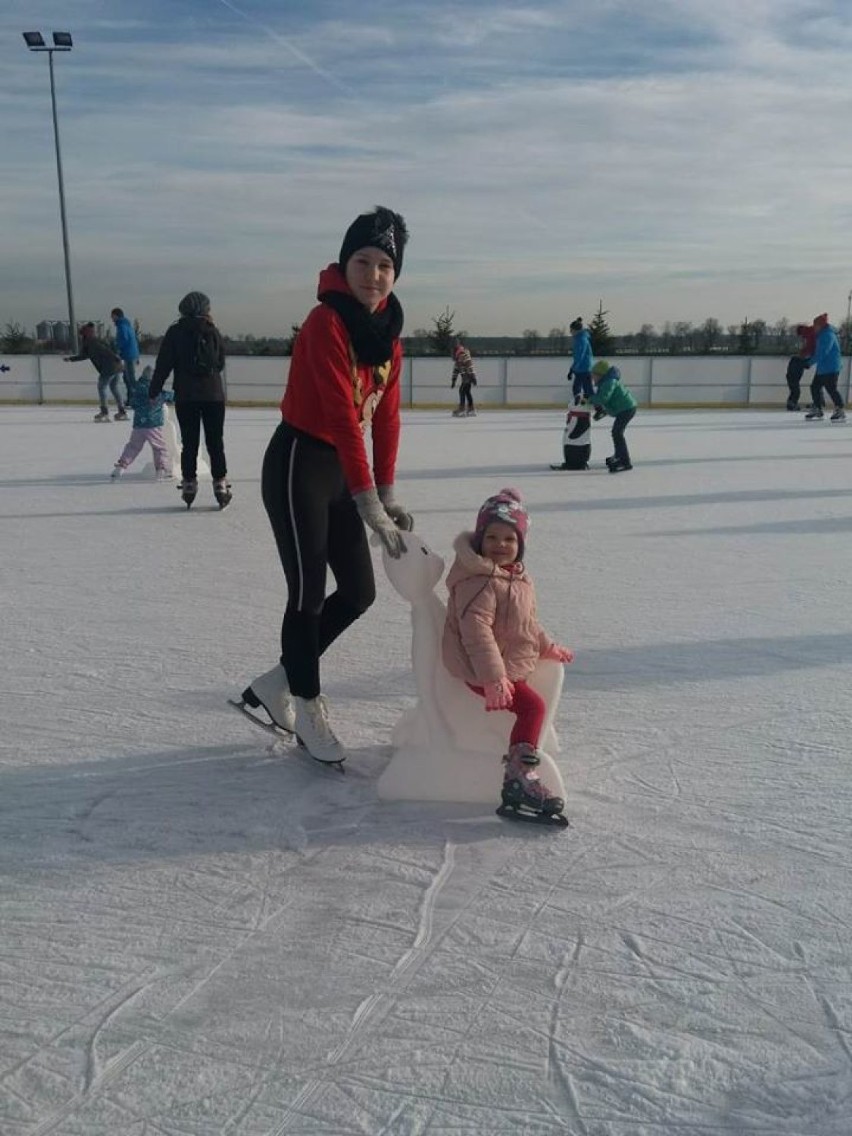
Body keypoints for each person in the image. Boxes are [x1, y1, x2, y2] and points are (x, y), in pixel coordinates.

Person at [236, 206, 413, 766]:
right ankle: (306, 705)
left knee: (359, 592)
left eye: (386, 264)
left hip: (344, 469)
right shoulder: (325, 323)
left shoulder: (388, 333)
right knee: (308, 592)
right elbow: (340, 415)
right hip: (300, 463)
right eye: (363, 260)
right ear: (345, 262)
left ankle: (278, 681)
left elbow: (385, 416)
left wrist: (384, 492)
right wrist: (368, 500)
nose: (374, 274)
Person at [441, 488, 573, 822]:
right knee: (532, 706)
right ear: (479, 540)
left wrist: (547, 646)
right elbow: (477, 634)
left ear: (520, 545)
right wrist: (494, 678)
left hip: (504, 661)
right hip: (479, 668)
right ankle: (518, 780)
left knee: (541, 693)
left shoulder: (514, 577)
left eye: (509, 539)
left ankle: (525, 762)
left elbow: (526, 623)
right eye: (493, 537)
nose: (501, 545)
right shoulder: (479, 581)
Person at [148, 292, 231, 508]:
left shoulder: (175, 332)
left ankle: (189, 484)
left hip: (186, 395)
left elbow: (164, 363)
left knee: (189, 442)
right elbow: (220, 362)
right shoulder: (212, 330)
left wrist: (154, 389)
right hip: (213, 395)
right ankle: (220, 484)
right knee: (215, 442)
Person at [110, 365, 174, 480]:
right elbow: (166, 396)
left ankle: (121, 466)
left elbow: (133, 403)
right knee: (159, 448)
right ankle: (161, 470)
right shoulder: (155, 389)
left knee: (133, 446)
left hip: (138, 425)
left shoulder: (137, 389)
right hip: (152, 425)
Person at [65, 322, 127, 422]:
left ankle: (104, 412)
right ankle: (122, 412)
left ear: (85, 335)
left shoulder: (91, 342)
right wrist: (71, 359)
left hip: (109, 367)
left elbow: (105, 351)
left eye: (82, 335)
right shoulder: (95, 341)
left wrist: (115, 357)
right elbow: (85, 355)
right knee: (114, 388)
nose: (81, 337)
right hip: (116, 367)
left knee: (102, 388)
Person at [591, 359, 638, 471]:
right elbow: (607, 401)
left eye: (594, 375)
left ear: (600, 374)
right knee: (616, 433)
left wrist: (588, 399)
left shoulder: (609, 382)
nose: (592, 378)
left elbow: (603, 398)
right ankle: (618, 456)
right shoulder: (605, 382)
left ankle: (625, 461)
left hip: (627, 409)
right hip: (624, 408)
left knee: (617, 433)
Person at [805, 313, 845, 421]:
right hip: (823, 367)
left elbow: (823, 352)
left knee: (831, 388)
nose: (814, 327)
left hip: (831, 367)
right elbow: (819, 352)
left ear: (821, 325)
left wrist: (809, 362)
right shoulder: (822, 335)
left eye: (816, 325)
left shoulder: (828, 335)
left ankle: (840, 409)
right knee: (815, 387)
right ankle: (818, 408)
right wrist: (809, 359)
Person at [111, 307, 140, 405]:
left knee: (130, 378)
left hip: (128, 355)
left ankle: (136, 399)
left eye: (112, 316)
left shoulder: (122, 325)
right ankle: (132, 398)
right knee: (128, 378)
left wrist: (117, 348)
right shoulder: (127, 325)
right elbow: (134, 340)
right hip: (131, 354)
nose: (112, 319)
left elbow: (123, 338)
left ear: (116, 315)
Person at [785, 323, 815, 411]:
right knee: (796, 391)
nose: (802, 338)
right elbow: (806, 363)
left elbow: (810, 347)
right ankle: (792, 403)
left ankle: (791, 403)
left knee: (795, 391)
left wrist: (805, 357)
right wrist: (808, 361)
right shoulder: (797, 361)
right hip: (793, 376)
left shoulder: (810, 335)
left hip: (792, 376)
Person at [569, 317, 594, 403]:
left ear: (576, 330)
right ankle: (579, 403)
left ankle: (598, 408)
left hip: (584, 369)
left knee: (587, 389)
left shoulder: (581, 340)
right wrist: (572, 369)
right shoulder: (579, 339)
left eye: (571, 330)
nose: (570, 332)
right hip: (581, 368)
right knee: (578, 388)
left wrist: (573, 368)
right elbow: (578, 357)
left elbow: (580, 356)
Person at [450, 339, 477, 416]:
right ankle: (471, 409)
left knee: (462, 391)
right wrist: (453, 381)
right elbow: (456, 370)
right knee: (467, 392)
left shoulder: (463, 354)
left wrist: (472, 377)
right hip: (465, 377)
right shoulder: (458, 357)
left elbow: (469, 365)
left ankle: (462, 409)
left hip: (468, 376)